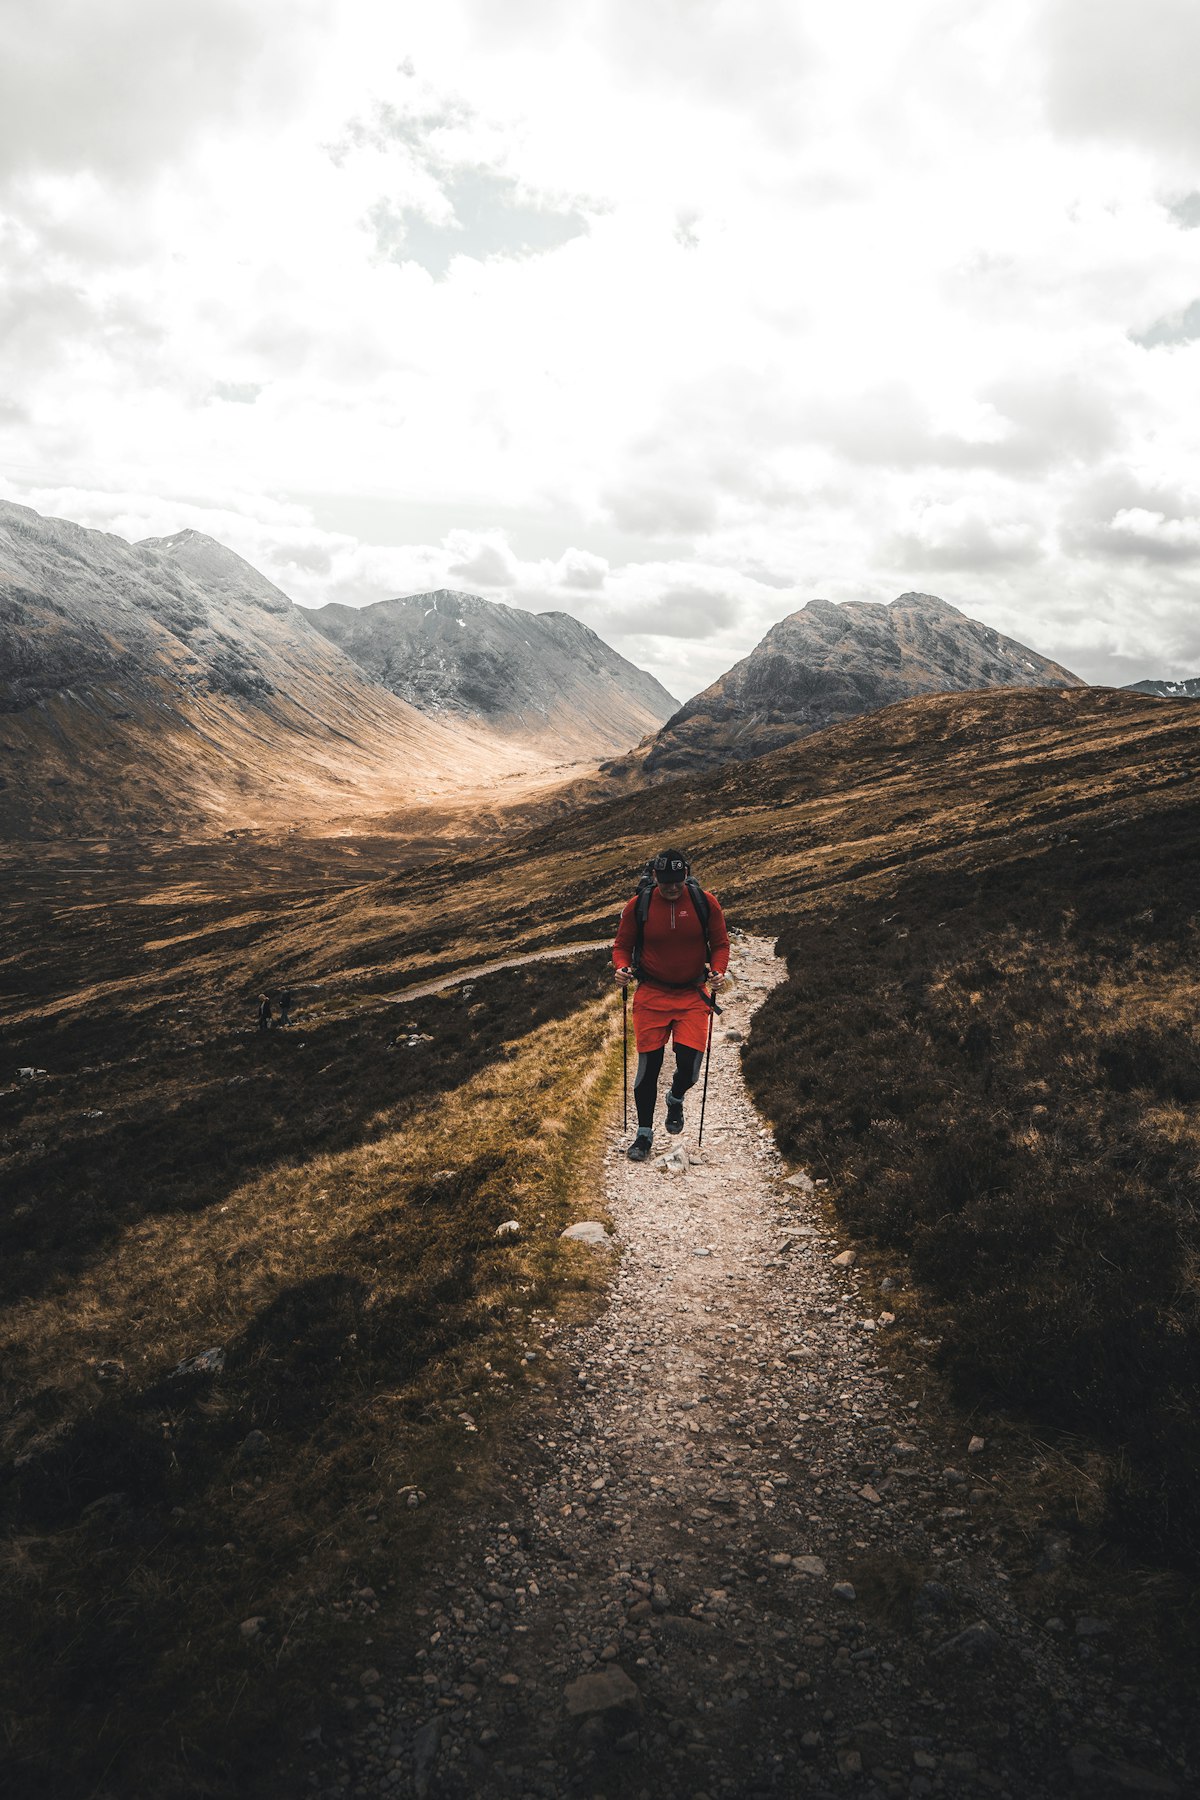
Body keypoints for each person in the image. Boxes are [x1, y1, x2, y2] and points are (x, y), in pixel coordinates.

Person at [612, 848, 730, 1161]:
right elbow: (622, 945)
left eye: (677, 881)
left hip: (692, 995)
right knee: (647, 1068)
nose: (672, 888)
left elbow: (719, 944)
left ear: (686, 876)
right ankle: (644, 1134)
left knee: (690, 1068)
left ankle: (675, 1097)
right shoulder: (641, 905)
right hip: (652, 994)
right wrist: (622, 967)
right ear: (655, 878)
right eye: (666, 883)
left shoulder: (706, 902)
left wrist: (718, 970)